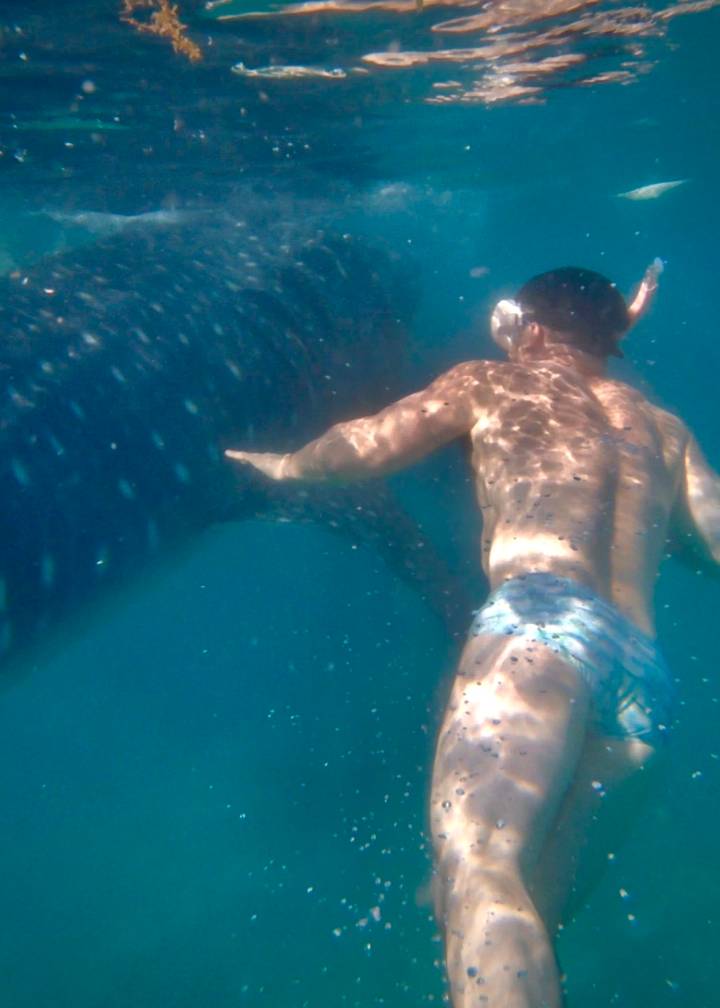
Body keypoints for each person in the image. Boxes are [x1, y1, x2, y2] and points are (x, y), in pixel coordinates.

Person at [226, 259, 720, 1007]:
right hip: (643, 680)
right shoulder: (664, 429)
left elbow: (368, 445)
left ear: (533, 328)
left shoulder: (494, 381)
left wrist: (289, 465)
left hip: (542, 627)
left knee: (482, 878)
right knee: (518, 922)